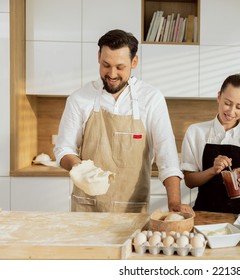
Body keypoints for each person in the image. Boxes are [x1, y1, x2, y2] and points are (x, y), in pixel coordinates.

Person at [54, 29, 192, 214]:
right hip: (86, 209)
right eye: (106, 65)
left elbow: (167, 157)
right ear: (98, 57)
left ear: (134, 62)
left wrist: (174, 202)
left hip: (132, 210)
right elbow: (63, 149)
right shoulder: (79, 99)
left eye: (120, 67)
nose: (111, 74)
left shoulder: (151, 99)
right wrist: (81, 169)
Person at [180, 73, 240, 214]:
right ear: (219, 96)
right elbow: (189, 181)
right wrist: (213, 170)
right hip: (206, 213)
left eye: (239, 107)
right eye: (227, 103)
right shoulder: (196, 132)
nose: (231, 111)